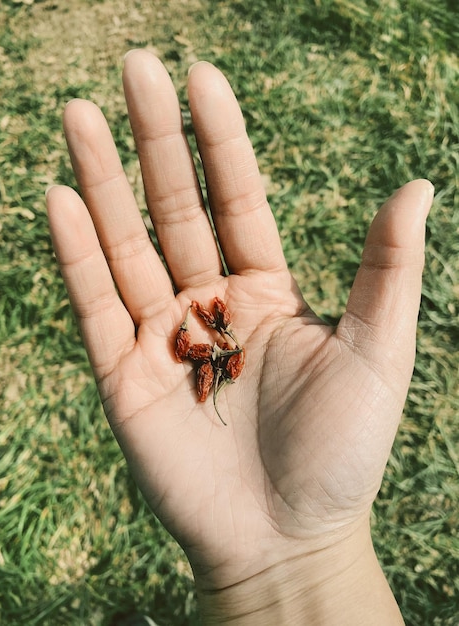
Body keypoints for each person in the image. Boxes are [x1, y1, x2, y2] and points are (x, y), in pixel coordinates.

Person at [46, 50, 434, 624]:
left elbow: (206, 354)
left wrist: (300, 558)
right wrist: (309, 561)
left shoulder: (217, 352)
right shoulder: (211, 350)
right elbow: (201, 352)